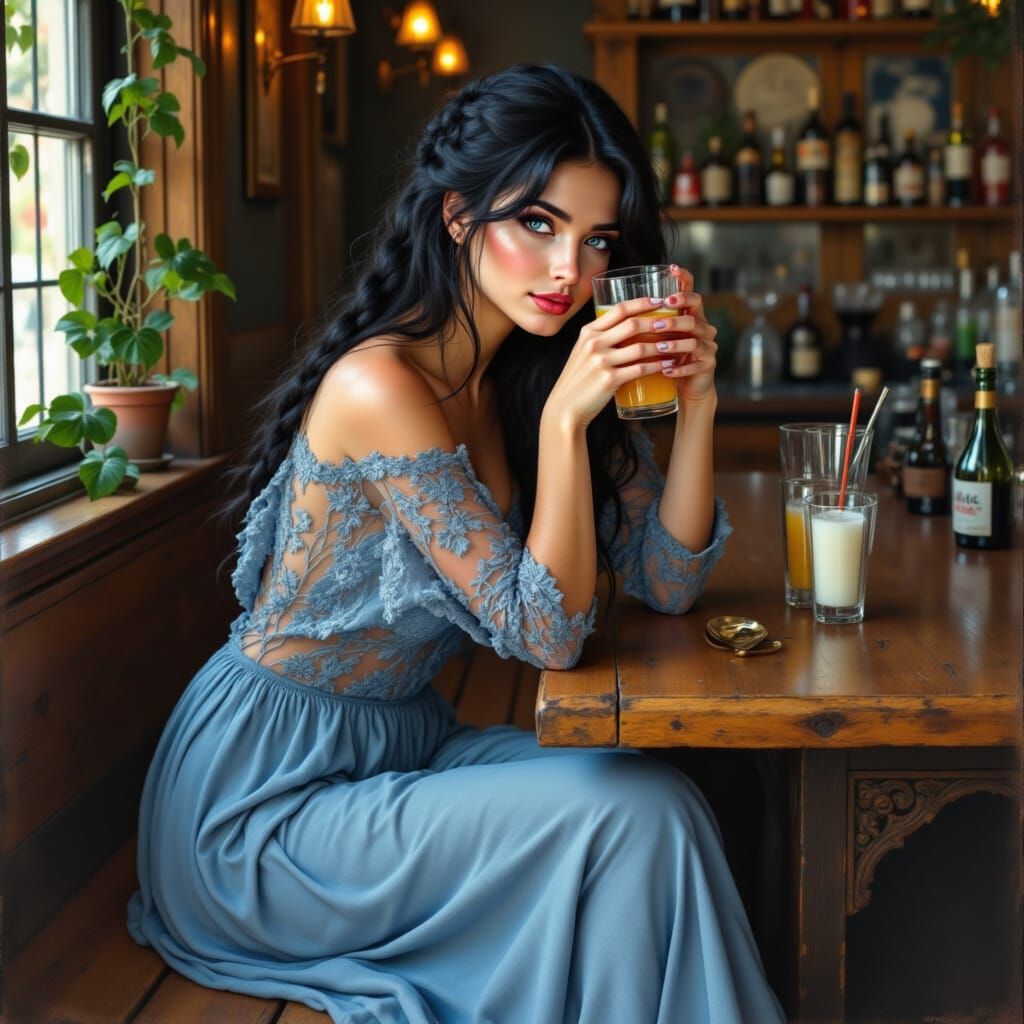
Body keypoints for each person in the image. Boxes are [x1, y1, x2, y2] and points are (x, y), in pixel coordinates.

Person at [127, 64, 786, 1024]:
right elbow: (549, 635)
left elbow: (667, 579)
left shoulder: (526, 369)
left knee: (665, 801)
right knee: (624, 814)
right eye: (539, 224)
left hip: (403, 744)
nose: (572, 271)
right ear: (456, 216)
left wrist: (699, 404)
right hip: (262, 809)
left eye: (597, 240)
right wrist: (565, 423)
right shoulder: (378, 388)